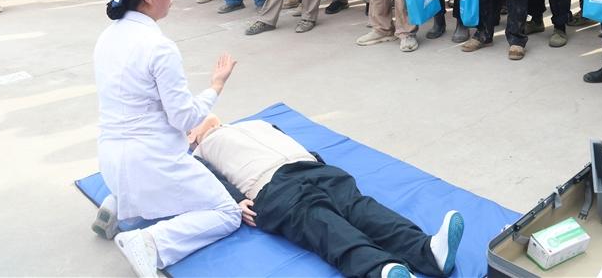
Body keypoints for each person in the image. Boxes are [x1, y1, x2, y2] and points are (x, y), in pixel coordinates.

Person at [91, 0, 240, 277]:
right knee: (227, 212)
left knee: (158, 184)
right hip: (149, 162)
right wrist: (216, 85)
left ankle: (119, 205)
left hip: (111, 161)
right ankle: (149, 242)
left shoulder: (107, 37)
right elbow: (185, 119)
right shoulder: (159, 47)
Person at [188, 114, 465, 278]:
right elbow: (204, 179)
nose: (206, 120)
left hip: (309, 166)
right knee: (321, 222)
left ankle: (428, 252)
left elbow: (288, 139)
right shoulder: (198, 153)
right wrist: (235, 198)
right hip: (267, 185)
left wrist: (316, 163)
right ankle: (382, 269)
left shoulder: (256, 123)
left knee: (360, 207)